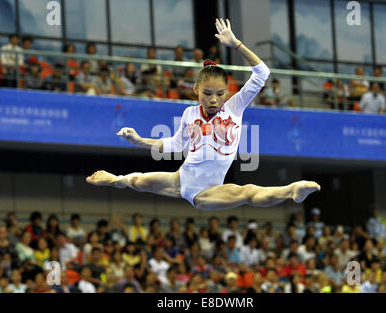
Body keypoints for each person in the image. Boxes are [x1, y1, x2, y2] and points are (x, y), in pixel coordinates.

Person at [86, 18, 320, 212]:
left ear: (227, 92)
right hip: (181, 179)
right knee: (134, 180)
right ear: (196, 90)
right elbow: (174, 144)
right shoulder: (190, 113)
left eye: (219, 94)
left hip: (206, 192)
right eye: (207, 93)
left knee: (246, 192)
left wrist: (236, 44)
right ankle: (113, 179)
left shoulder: (234, 107)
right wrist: (138, 140)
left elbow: (262, 73)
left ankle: (292, 190)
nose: (214, 99)